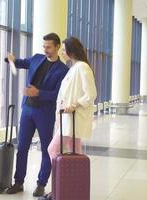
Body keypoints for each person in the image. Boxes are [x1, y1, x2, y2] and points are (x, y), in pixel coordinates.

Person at [5, 33, 68, 197]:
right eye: (44, 46)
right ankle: (18, 182)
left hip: (45, 112)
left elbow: (57, 94)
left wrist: (38, 92)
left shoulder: (63, 70)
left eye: (49, 47)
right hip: (27, 110)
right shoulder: (37, 58)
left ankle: (41, 183)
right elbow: (21, 62)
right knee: (22, 147)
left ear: (57, 47)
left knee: (47, 149)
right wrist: (10, 59)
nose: (45, 50)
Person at [39, 36, 97, 200]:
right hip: (68, 120)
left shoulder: (82, 67)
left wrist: (74, 105)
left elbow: (91, 93)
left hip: (73, 119)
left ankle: (59, 189)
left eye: (64, 50)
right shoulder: (74, 68)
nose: (62, 53)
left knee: (53, 149)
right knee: (74, 154)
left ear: (71, 51)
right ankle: (65, 190)